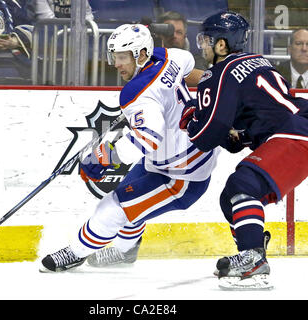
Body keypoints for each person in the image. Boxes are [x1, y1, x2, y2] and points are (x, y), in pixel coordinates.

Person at [40, 23, 220, 272]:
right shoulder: (169, 56)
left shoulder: (136, 93)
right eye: (114, 56)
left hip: (181, 175)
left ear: (142, 55)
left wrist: (105, 157)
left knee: (113, 207)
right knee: (129, 196)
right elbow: (188, 68)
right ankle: (126, 252)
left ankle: (76, 253)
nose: (116, 64)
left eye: (122, 57)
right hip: (176, 155)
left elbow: (148, 138)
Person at [179, 12, 308, 290]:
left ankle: (253, 258)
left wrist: (190, 118)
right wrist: (235, 135)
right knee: (230, 199)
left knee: (242, 184)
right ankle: (251, 252)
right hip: (303, 130)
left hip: (292, 135)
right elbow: (238, 133)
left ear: (222, 45)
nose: (203, 46)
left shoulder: (218, 73)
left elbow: (209, 132)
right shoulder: (258, 61)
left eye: (207, 39)